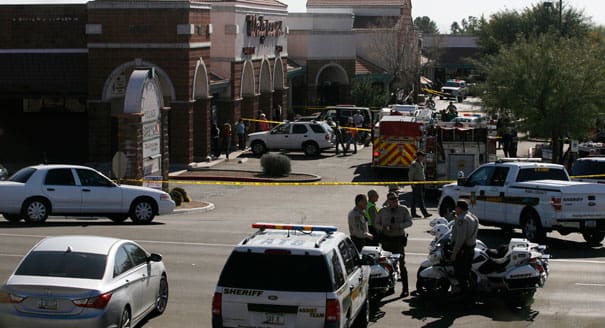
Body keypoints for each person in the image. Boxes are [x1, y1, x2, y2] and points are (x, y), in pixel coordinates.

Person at [375, 192, 413, 298]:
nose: (394, 201)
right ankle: (390, 288)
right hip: (387, 240)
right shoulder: (383, 211)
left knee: (402, 264)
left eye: (396, 199)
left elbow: (409, 222)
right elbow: (376, 224)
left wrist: (399, 226)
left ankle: (405, 289)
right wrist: (383, 227)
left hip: (398, 240)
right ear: (388, 201)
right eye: (392, 200)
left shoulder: (403, 209)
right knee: (388, 265)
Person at [449, 200, 479, 294]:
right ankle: (470, 291)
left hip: (463, 251)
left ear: (459, 208)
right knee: (466, 272)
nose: (455, 209)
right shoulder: (473, 217)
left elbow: (460, 240)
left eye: (456, 207)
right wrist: (456, 218)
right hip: (470, 249)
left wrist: (454, 254)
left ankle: (465, 295)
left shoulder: (462, 220)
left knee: (460, 274)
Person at [408, 151, 432, 218]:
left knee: (414, 199)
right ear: (418, 156)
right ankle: (425, 213)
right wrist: (411, 183)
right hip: (416, 183)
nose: (423, 158)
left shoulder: (420, 163)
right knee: (420, 199)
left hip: (420, 183)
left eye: (423, 156)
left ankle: (413, 213)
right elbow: (410, 174)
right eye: (422, 156)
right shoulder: (414, 164)